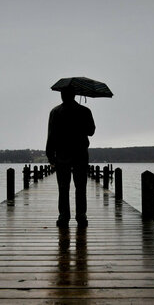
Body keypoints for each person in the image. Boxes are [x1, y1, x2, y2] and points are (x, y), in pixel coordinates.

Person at [45, 87, 95, 228]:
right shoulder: (85, 111)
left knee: (63, 187)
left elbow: (51, 136)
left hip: (62, 155)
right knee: (81, 187)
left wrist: (50, 156)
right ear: (74, 95)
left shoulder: (55, 112)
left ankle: (63, 217)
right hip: (80, 154)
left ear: (62, 95)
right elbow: (91, 131)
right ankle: (81, 216)